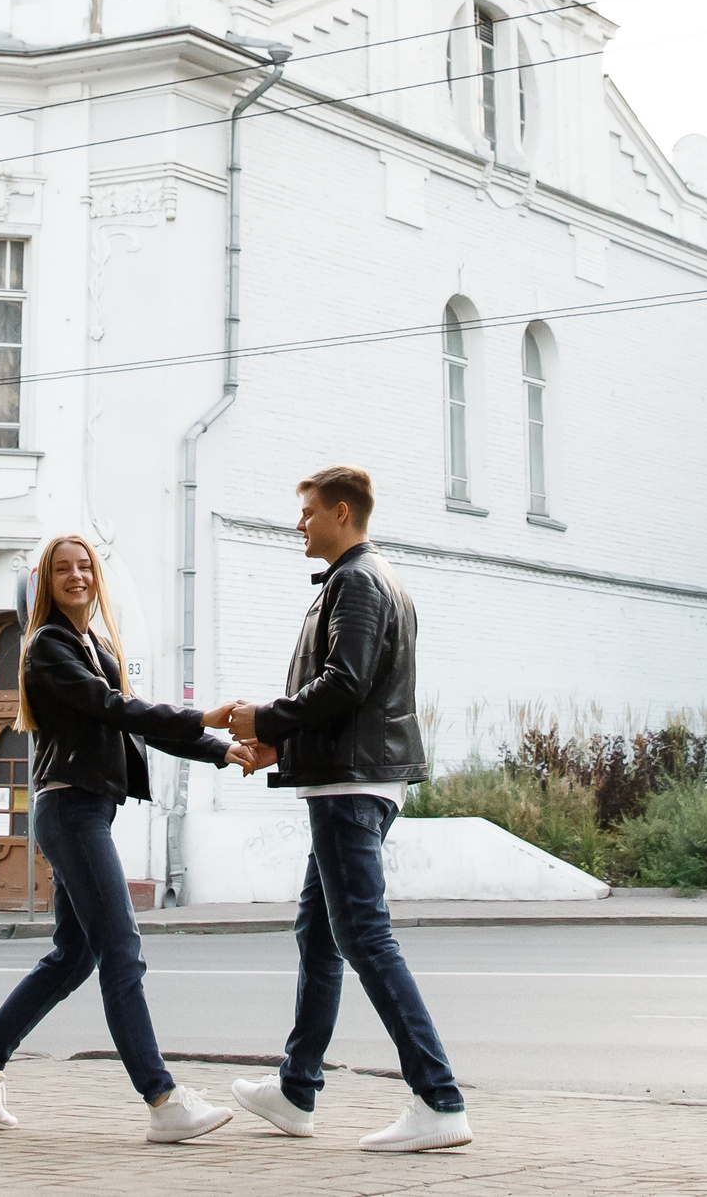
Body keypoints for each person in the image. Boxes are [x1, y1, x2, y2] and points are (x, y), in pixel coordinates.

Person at [210, 464, 471, 1152]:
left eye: (308, 511)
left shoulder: (357, 580)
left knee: (362, 936)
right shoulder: (363, 580)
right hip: (350, 777)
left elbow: (344, 683)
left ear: (343, 512)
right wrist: (280, 748)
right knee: (320, 933)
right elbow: (351, 694)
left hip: (351, 785)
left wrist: (265, 720)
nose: (299, 523)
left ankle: (439, 1099)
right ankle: (297, 1089)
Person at [0, 533, 237, 1144]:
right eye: (63, 570)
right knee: (121, 950)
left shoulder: (91, 642)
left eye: (85, 567)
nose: (76, 577)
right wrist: (200, 718)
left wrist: (223, 750)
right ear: (45, 584)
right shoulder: (47, 647)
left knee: (74, 956)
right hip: (71, 809)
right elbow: (115, 708)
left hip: (85, 810)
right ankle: (162, 1101)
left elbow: (129, 714)